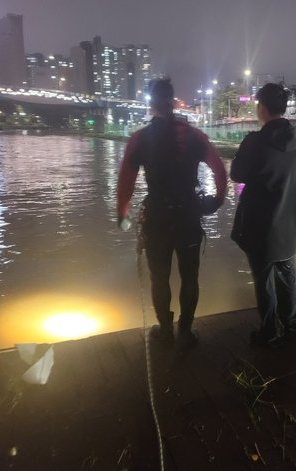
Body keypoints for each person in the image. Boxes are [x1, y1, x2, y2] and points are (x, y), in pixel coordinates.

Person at [117, 77, 227, 351]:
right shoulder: (195, 136)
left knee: (160, 278)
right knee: (190, 277)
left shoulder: (139, 139)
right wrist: (216, 201)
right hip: (189, 217)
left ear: (151, 103)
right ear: (173, 100)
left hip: (157, 219)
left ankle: (165, 330)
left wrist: (123, 214)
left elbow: (125, 183)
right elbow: (220, 170)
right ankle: (186, 331)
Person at [230, 83, 296, 347]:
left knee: (263, 282)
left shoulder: (255, 141)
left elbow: (237, 174)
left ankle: (268, 331)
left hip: (261, 227)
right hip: (289, 226)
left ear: (262, 108)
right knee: (287, 275)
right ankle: (292, 323)